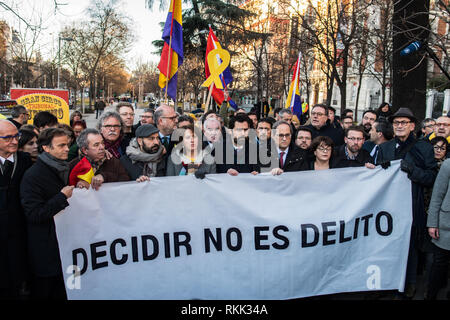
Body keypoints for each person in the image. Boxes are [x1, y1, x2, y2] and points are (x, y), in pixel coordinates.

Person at [378, 107, 437, 299]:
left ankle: (409, 282)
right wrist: (379, 170)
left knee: (410, 245)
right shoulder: (385, 148)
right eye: (396, 123)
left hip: (412, 206)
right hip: (388, 207)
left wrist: (412, 170)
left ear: (412, 126)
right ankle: (388, 281)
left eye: (404, 123)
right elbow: (375, 179)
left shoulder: (424, 148)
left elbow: (431, 177)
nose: (400, 126)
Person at [20, 128, 75, 300]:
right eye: (61, 145)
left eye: (67, 144)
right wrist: (61, 197)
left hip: (65, 249)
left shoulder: (64, 168)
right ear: (46, 148)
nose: (67, 149)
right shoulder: (33, 176)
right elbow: (34, 214)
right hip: (46, 251)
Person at [0, 120, 33, 299]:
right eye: (7, 138)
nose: (14, 141)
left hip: (19, 230)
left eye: (16, 136)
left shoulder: (25, 161)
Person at [426, 158, 450, 300]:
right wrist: (432, 223)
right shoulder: (448, 164)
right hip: (446, 225)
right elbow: (437, 195)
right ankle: (430, 295)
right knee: (439, 263)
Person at [154, 104, 179, 172]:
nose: (176, 120)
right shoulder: (148, 139)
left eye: (176, 117)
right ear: (160, 121)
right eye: (172, 118)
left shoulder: (182, 138)